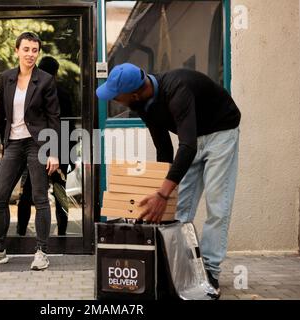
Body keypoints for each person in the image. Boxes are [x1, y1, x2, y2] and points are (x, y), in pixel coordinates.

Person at [96, 63, 241, 299]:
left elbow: (187, 146)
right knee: (180, 208)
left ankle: (210, 273)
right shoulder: (143, 105)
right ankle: (180, 269)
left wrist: (163, 194)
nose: (114, 100)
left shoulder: (177, 90)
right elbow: (164, 149)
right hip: (192, 140)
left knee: (217, 204)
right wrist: (160, 190)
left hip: (221, 133)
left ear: (133, 93)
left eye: (116, 95)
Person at [0, 32, 60, 270]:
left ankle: (41, 251)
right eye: (26, 49)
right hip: (13, 143)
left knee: (39, 198)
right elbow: (0, 108)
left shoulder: (45, 80)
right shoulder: (6, 78)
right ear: (17, 50)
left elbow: (54, 118)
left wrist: (53, 152)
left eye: (34, 50)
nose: (30, 54)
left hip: (37, 144)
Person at [16, 56, 75, 236]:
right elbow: (69, 125)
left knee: (28, 192)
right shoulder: (64, 93)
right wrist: (71, 154)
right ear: (56, 73)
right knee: (60, 191)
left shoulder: (31, 90)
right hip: (61, 148)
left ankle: (20, 230)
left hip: (37, 147)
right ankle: (62, 230)